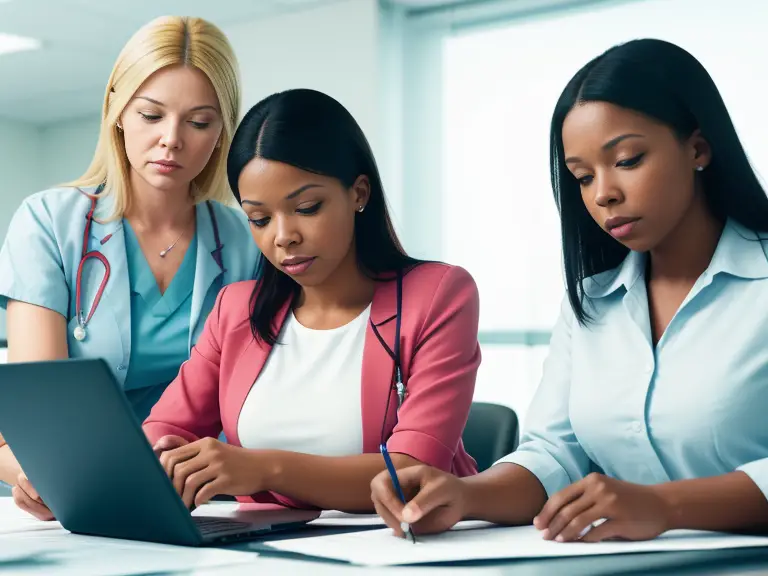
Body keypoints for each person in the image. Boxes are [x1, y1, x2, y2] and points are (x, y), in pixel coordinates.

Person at [370, 38, 768, 541]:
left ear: (698, 148)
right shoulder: (593, 300)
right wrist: (465, 494)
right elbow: (553, 453)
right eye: (582, 176)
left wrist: (665, 506)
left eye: (626, 160)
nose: (602, 194)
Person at [142, 88, 480, 512]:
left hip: (398, 549)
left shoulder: (438, 295)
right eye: (260, 219)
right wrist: (142, 463)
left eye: (307, 207)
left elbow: (412, 474)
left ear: (358, 193)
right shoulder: (237, 309)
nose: (283, 236)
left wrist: (265, 469)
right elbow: (165, 429)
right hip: (267, 552)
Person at [0, 16, 260, 519]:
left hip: (203, 498)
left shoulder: (246, 241)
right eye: (151, 115)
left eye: (199, 122)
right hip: (78, 491)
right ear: (117, 110)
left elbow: (252, 399)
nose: (171, 140)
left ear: (222, 130)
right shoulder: (49, 223)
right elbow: (41, 409)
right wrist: (29, 471)